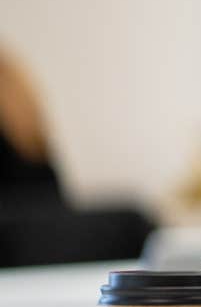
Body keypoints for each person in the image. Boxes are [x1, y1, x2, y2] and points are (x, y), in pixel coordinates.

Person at [0, 43, 152, 266]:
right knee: (135, 222)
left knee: (133, 222)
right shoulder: (23, 118)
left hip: (24, 242)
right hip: (43, 238)